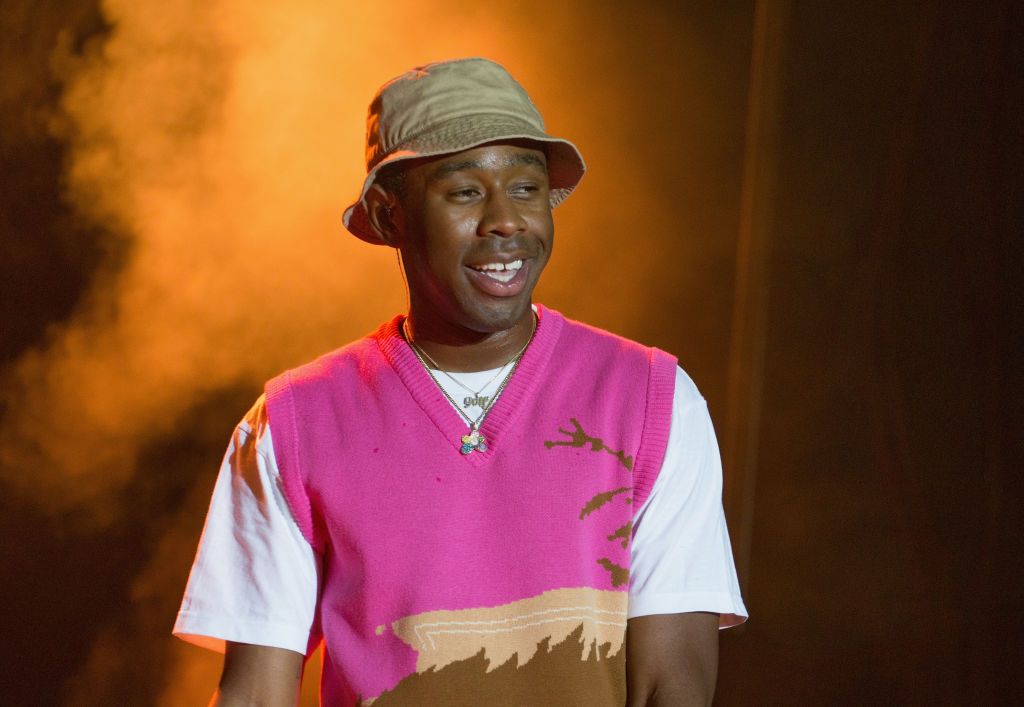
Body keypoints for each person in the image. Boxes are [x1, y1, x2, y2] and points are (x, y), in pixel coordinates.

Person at [174, 57, 747, 706]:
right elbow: (254, 695)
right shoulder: (292, 422)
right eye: (466, 192)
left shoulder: (652, 400)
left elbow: (673, 683)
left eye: (526, 188)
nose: (506, 220)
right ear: (389, 216)